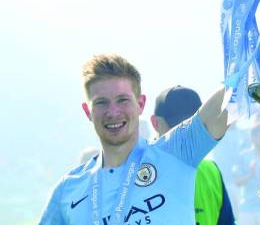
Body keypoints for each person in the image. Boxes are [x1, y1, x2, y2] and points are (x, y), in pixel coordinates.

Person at [39, 53, 228, 224]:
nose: (113, 112)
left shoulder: (175, 153)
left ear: (140, 104)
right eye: (101, 102)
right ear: (88, 111)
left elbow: (229, 100)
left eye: (122, 100)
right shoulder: (69, 188)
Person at [150, 85, 236, 225]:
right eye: (177, 127)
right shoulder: (136, 171)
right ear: (155, 123)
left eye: (194, 128)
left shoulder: (211, 170)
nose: (186, 135)